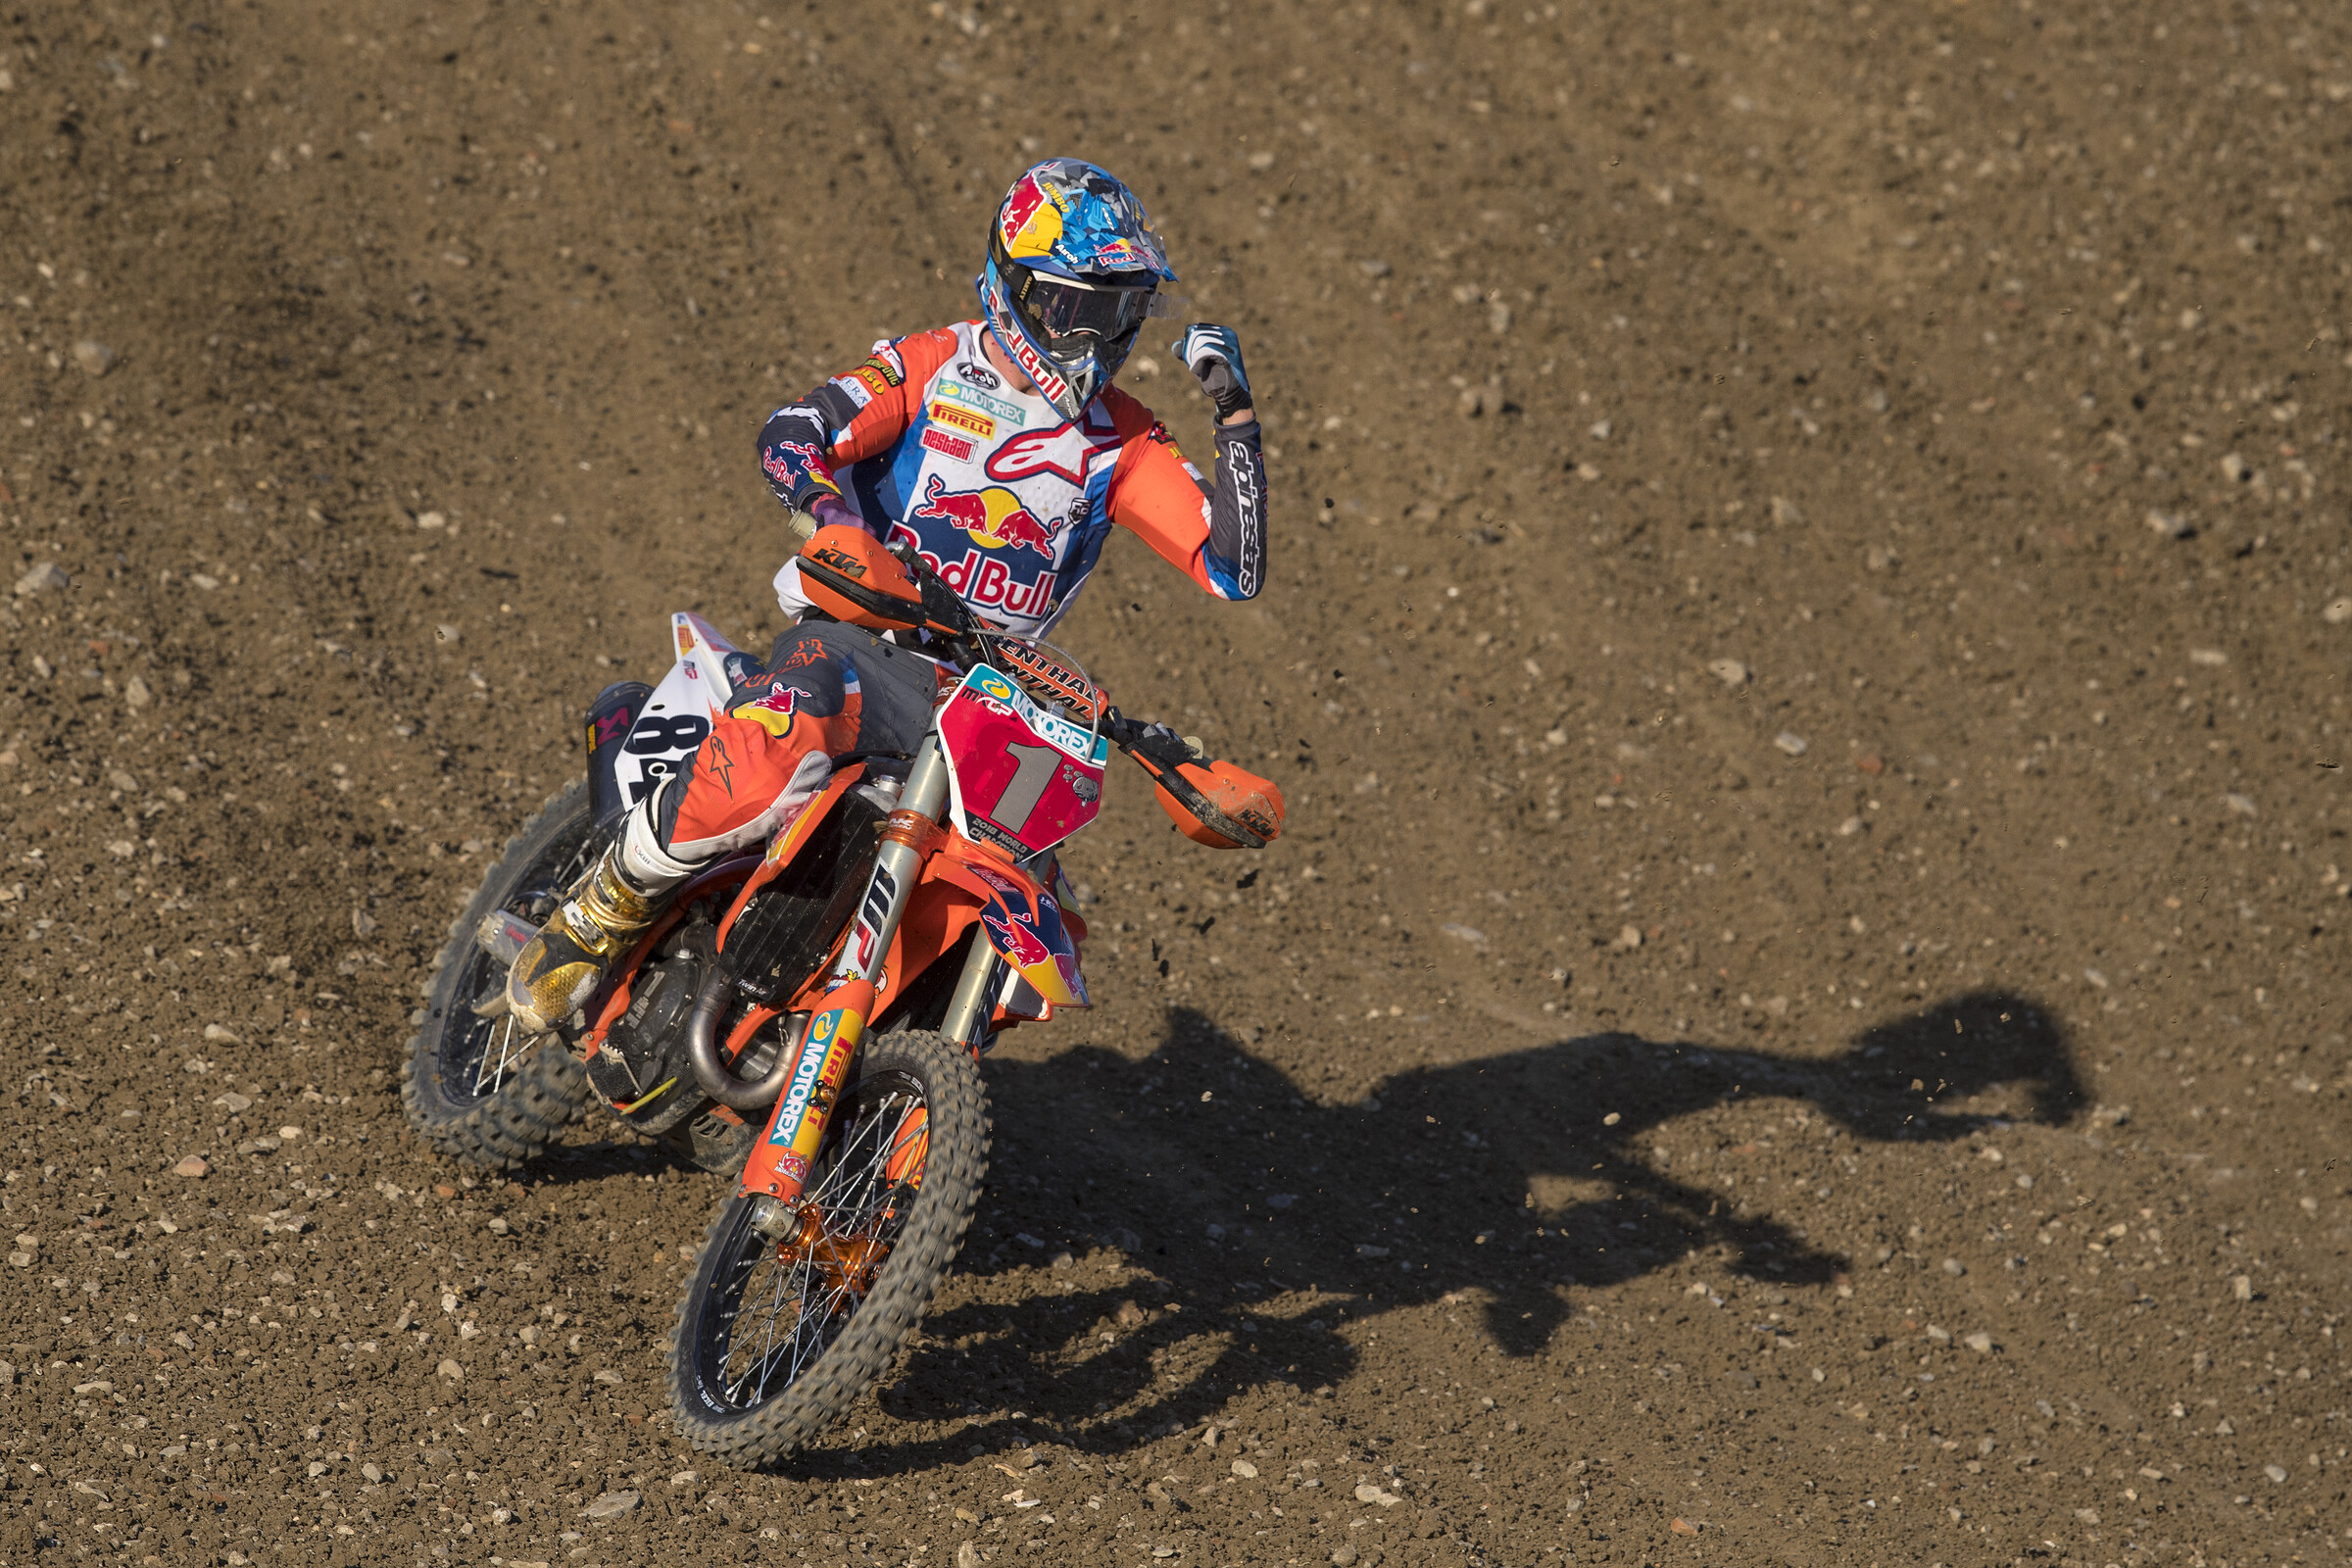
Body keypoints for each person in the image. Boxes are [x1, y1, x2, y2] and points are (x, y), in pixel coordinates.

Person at [508, 159, 1269, 1033]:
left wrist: (1236, 419)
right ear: (1020, 290)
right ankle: (597, 913)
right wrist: (830, 517)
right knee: (787, 729)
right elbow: (794, 431)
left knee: (1031, 899)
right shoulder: (937, 364)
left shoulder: (1123, 439)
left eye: (1120, 312)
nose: (1097, 339)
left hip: (989, 697)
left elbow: (1231, 566)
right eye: (1078, 309)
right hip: (867, 637)